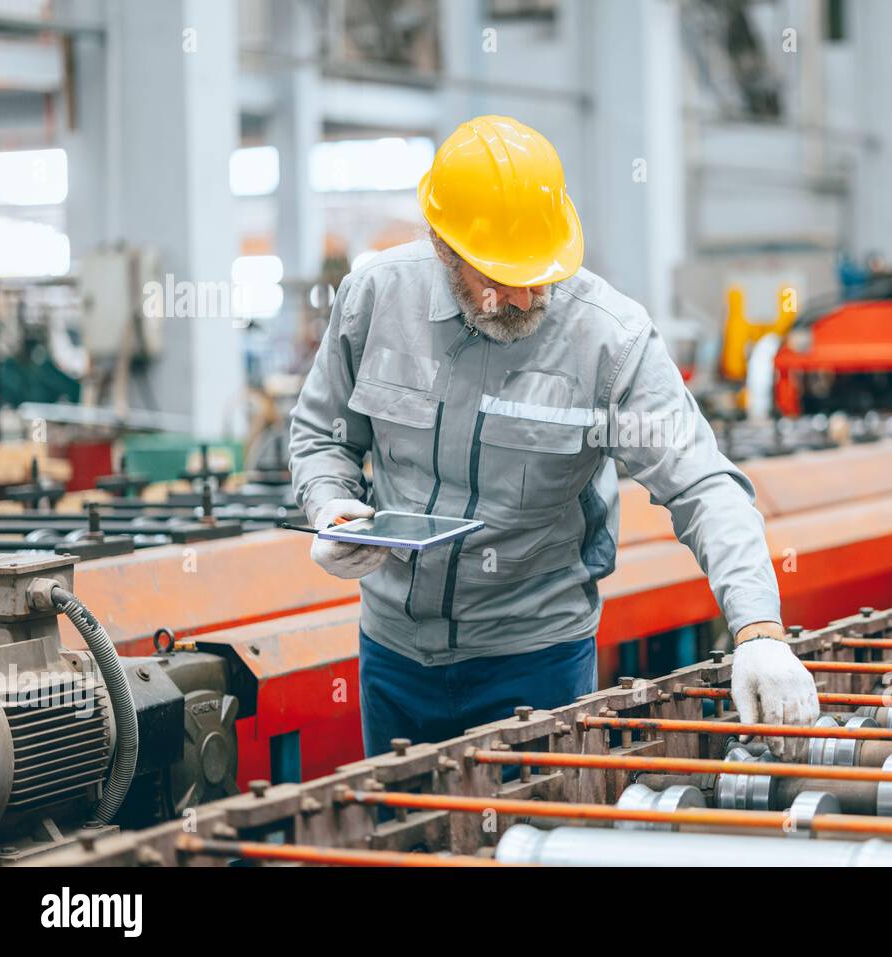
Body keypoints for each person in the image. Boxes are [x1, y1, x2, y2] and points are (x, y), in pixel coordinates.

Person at [289, 115, 819, 761]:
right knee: (405, 840)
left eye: (538, 271)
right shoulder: (375, 299)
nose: (522, 294)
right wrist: (331, 508)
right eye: (497, 276)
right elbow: (323, 433)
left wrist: (759, 630)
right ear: (442, 246)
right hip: (393, 653)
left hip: (535, 659)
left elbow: (703, 484)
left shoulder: (609, 340)